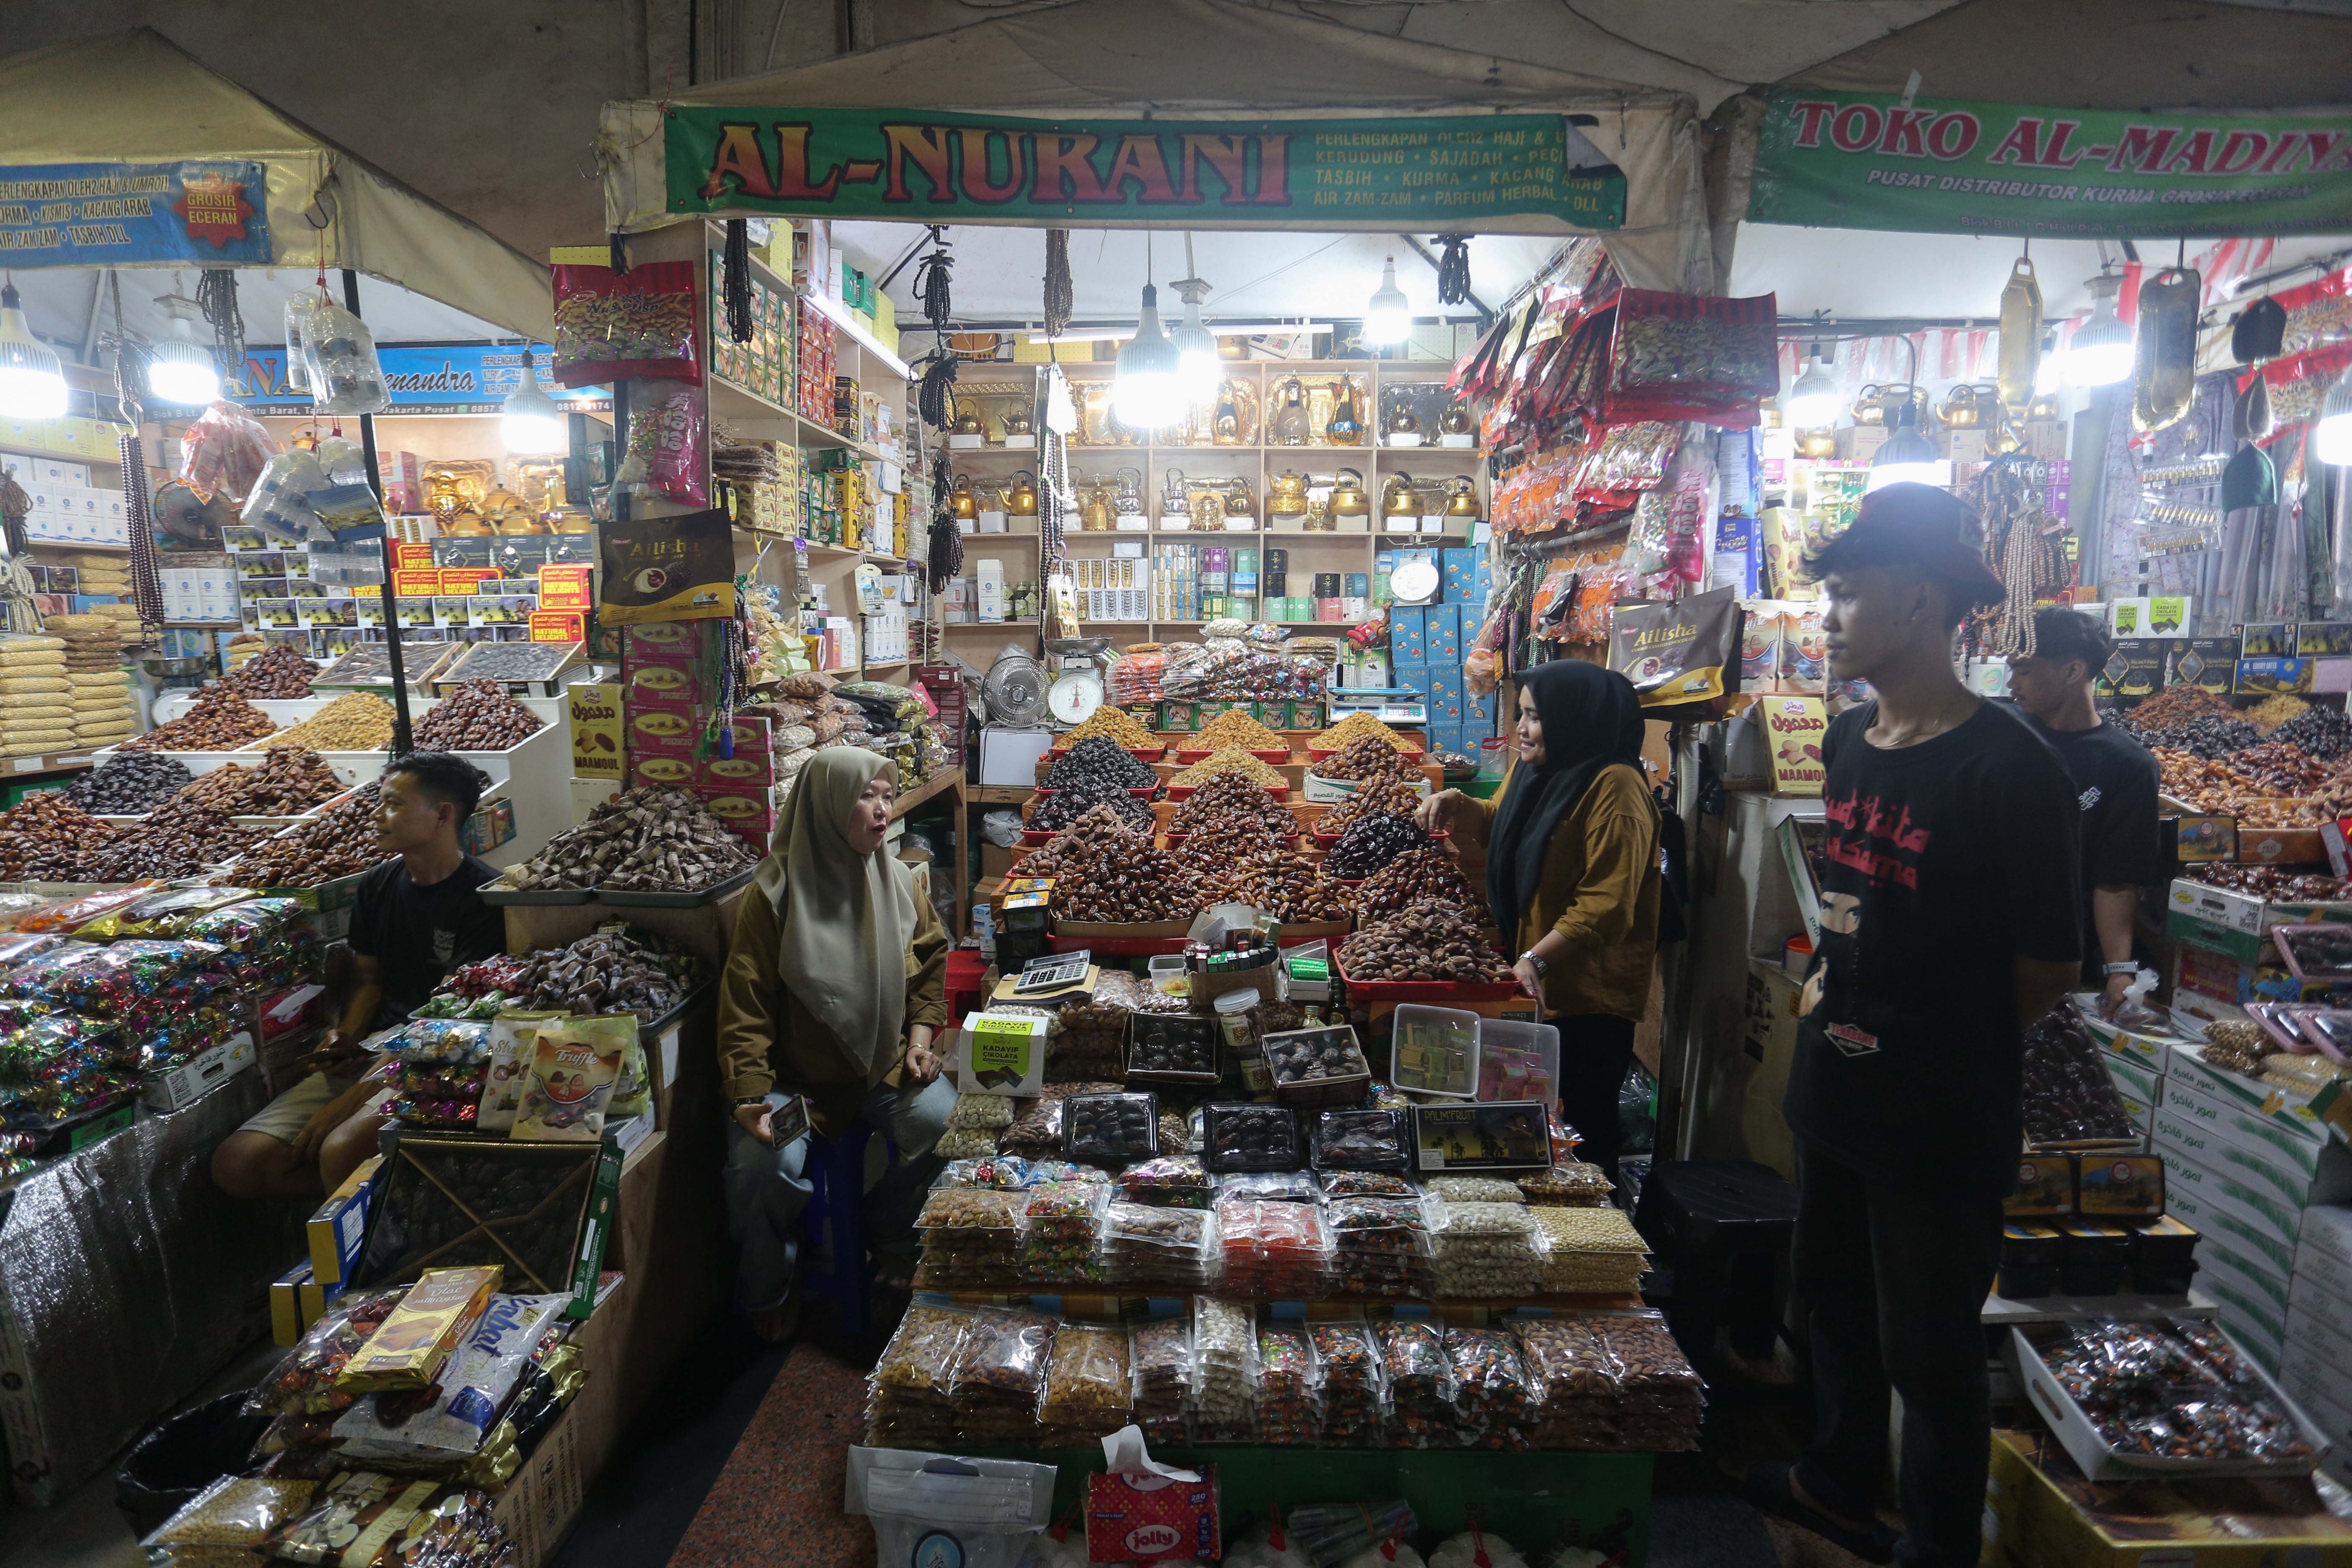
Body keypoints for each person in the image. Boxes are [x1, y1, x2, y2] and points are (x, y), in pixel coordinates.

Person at [1746, 484, 2082, 1568]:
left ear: (1923, 598)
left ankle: (1936, 1547)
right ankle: (1839, 1483)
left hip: (1937, 1109)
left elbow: (2047, 965)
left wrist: (1940, 1040)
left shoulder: (2010, 766)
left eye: (1847, 596)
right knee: (1829, 1302)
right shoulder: (1849, 739)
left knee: (1931, 1357)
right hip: (1834, 1086)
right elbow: (1847, 908)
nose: (1827, 617)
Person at [716, 749, 953, 1342]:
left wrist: (920, 1038)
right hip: (798, 1083)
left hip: (881, 1066)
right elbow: (744, 1010)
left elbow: (928, 962)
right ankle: (770, 1283)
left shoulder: (896, 881)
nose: (882, 810)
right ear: (824, 806)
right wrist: (750, 1095)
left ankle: (889, 1229)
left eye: (886, 795)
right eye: (866, 795)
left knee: (947, 1123)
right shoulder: (773, 897)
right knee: (761, 1167)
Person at [212, 752, 504, 1200]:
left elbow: (454, 1023)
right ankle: (394, 1190)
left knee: (341, 1149)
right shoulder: (376, 885)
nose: (377, 814)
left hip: (441, 1059)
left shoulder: (485, 899)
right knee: (239, 1163)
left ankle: (379, 1230)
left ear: (442, 815)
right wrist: (344, 1035)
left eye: (393, 804)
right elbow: (369, 978)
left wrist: (359, 1095)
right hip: (378, 1047)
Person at [1418, 659, 1661, 1180]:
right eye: (1520, 714)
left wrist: (1535, 958)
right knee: (1532, 1114)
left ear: (1576, 720)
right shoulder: (1536, 769)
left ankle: (1602, 1237)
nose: (1521, 730)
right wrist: (1458, 803)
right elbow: (1500, 821)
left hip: (1584, 991)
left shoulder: (1615, 788)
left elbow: (1608, 902)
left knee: (1584, 1123)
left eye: (1534, 717)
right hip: (1530, 970)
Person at [2004, 606, 2162, 1017]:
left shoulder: (2127, 766)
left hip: (2056, 963)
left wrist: (2118, 970)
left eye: (2022, 670)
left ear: (2072, 671)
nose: (2010, 683)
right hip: (1978, 944)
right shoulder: (1997, 741)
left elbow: (2114, 880)